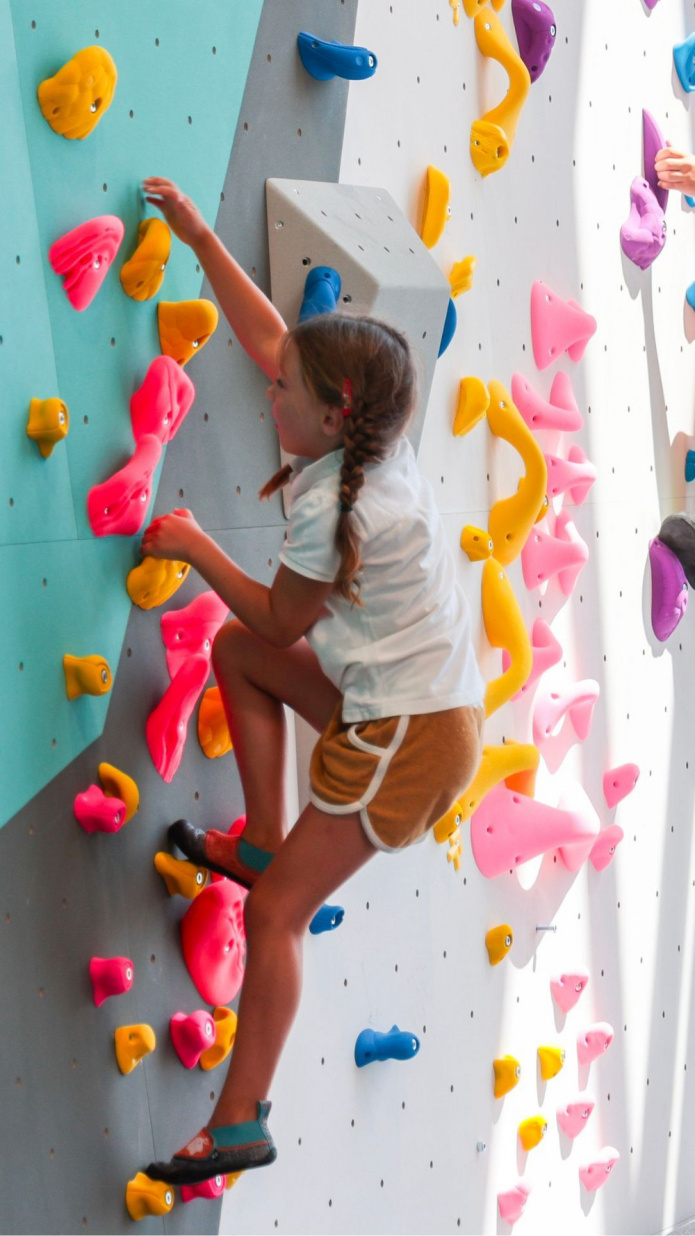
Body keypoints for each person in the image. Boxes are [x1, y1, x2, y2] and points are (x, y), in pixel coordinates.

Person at [139, 177, 486, 1185]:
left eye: (284, 396)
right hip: (408, 709)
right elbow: (271, 345)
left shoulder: (341, 506)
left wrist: (197, 546)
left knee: (276, 915)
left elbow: (278, 614)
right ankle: (257, 839)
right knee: (238, 664)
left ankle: (240, 1116)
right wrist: (200, 238)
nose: (266, 394)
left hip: (406, 741)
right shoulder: (375, 439)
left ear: (333, 413)